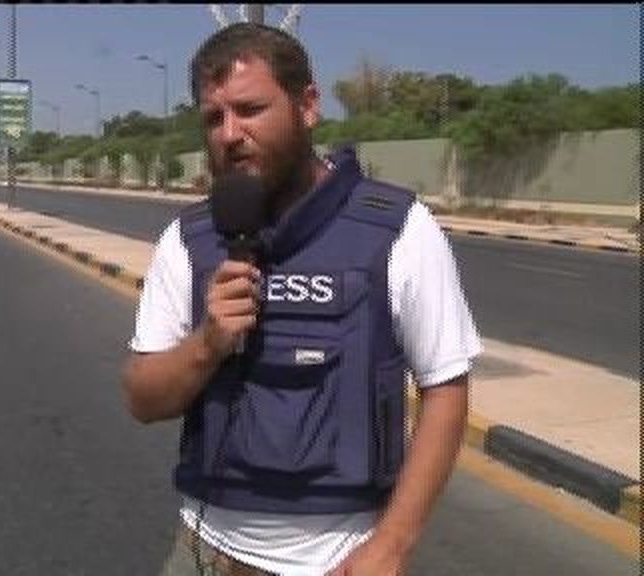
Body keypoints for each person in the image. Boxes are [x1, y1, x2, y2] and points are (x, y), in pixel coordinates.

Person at [121, 22, 482, 576]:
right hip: (205, 552)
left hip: (343, 559)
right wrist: (209, 342)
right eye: (214, 118)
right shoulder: (188, 240)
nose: (230, 133)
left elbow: (445, 387)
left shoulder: (398, 229)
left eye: (250, 109)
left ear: (308, 105)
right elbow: (144, 401)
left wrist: (392, 545)